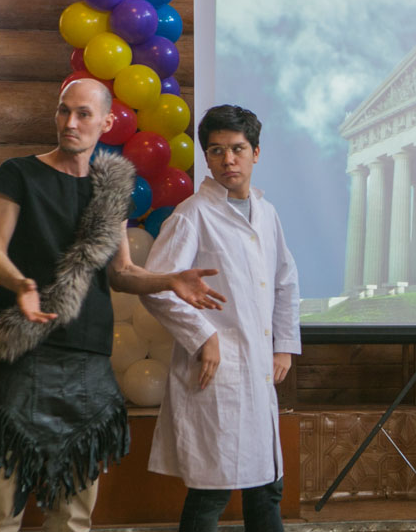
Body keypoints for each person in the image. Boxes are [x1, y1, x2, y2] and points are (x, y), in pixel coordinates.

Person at [0, 78, 226, 532]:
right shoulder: (18, 173)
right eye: (64, 110)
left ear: (106, 122)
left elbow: (121, 272)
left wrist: (169, 280)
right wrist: (20, 283)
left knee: (73, 513)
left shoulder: (112, 189)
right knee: (2, 507)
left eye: (83, 113)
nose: (70, 122)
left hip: (87, 359)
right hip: (24, 353)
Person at [142, 104, 301, 532]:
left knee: (266, 486)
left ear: (256, 153)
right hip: (214, 372)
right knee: (211, 489)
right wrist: (203, 337)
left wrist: (284, 346)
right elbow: (157, 286)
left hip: (258, 369)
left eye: (237, 149)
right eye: (216, 151)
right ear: (207, 158)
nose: (228, 159)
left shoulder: (267, 213)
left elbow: (285, 281)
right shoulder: (192, 214)